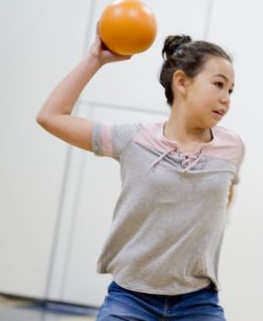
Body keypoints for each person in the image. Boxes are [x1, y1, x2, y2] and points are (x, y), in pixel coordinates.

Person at [36, 28, 243, 320]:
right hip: (131, 298)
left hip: (198, 302)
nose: (226, 98)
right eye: (219, 85)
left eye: (231, 90)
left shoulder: (232, 147)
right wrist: (95, 59)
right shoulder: (133, 139)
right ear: (182, 82)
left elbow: (224, 195)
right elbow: (51, 116)